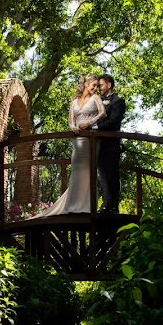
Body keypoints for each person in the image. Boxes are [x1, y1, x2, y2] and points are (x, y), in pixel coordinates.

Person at [32, 76, 105, 218]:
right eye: (93, 85)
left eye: (97, 86)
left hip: (91, 138)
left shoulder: (96, 98)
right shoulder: (74, 102)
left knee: (89, 169)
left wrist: (89, 123)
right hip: (78, 139)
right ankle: (74, 204)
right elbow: (70, 121)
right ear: (86, 84)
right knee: (77, 168)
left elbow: (103, 113)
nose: (95, 88)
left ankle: (88, 205)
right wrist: (74, 128)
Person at [94, 74, 126, 214]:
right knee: (103, 175)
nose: (99, 88)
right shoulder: (98, 101)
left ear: (109, 84)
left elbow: (113, 122)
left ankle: (113, 206)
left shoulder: (118, 101)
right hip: (100, 144)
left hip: (112, 144)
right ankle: (106, 204)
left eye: (100, 85)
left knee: (112, 175)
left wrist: (95, 127)